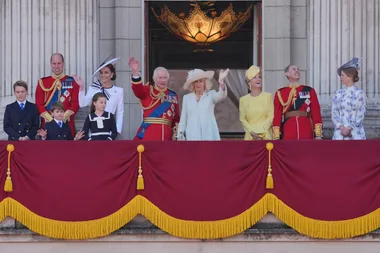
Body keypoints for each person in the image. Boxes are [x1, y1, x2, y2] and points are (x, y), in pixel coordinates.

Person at [128, 57, 180, 141]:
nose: (163, 80)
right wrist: (135, 72)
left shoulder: (173, 96)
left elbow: (176, 118)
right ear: (154, 79)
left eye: (165, 78)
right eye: (160, 78)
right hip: (149, 135)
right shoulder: (148, 90)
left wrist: (175, 132)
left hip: (167, 137)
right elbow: (138, 90)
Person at [75, 57, 124, 135]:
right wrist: (81, 88)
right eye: (101, 72)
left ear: (112, 74)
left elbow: (120, 112)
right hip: (94, 128)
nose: (103, 75)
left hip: (110, 128)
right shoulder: (94, 88)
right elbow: (82, 104)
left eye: (106, 72)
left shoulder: (119, 91)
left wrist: (117, 131)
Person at [272, 65, 323, 140]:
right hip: (289, 129)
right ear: (287, 73)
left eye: (298, 69)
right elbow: (277, 115)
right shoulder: (280, 92)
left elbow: (316, 112)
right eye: (294, 69)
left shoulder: (309, 90)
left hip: (306, 128)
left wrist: (318, 134)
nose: (297, 71)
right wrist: (276, 136)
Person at [177, 68, 228, 141]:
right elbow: (183, 119)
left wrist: (221, 82)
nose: (198, 84)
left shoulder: (210, 95)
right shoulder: (187, 98)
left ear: (205, 83)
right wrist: (180, 136)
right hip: (192, 136)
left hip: (208, 135)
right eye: (196, 82)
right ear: (193, 84)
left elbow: (221, 95)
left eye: (200, 81)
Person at [35, 53, 79, 136]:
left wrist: (63, 117)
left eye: (59, 63)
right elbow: (39, 105)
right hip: (48, 125)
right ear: (51, 64)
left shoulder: (72, 81)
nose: (56, 66)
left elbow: (75, 104)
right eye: (54, 63)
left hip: (66, 125)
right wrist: (51, 120)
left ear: (63, 64)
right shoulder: (43, 82)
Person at [332, 57, 366, 140]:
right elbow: (334, 112)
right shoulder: (338, 93)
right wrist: (341, 127)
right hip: (339, 134)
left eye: (342, 75)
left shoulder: (360, 93)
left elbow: (361, 113)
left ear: (349, 76)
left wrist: (349, 128)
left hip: (355, 133)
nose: (341, 77)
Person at [239, 66, 274, 140]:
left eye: (259, 77)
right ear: (249, 82)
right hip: (250, 136)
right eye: (254, 77)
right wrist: (251, 131)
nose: (258, 79)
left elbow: (271, 116)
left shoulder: (268, 96)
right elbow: (242, 119)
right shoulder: (243, 100)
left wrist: (261, 130)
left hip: (266, 135)